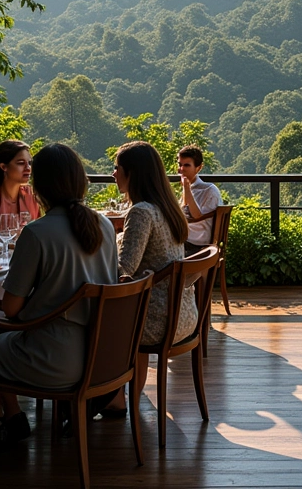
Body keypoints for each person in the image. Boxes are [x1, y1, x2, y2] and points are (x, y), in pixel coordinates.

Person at [0, 143, 118, 448]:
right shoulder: (104, 224)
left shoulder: (36, 233)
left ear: (40, 186)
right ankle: (10, 416)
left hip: (55, 361)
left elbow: (11, 308)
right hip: (103, 357)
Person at [106, 141, 198, 415]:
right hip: (182, 315)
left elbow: (124, 270)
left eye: (116, 168)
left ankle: (110, 397)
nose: (113, 174)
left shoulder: (141, 212)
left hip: (156, 320)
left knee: (92, 320)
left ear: (131, 173)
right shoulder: (167, 208)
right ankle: (122, 398)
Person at [177, 144, 222, 254]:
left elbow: (197, 216)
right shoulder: (190, 188)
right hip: (186, 239)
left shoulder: (209, 190)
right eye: (179, 165)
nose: (181, 170)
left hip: (197, 243)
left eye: (186, 165)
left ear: (198, 168)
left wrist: (186, 188)